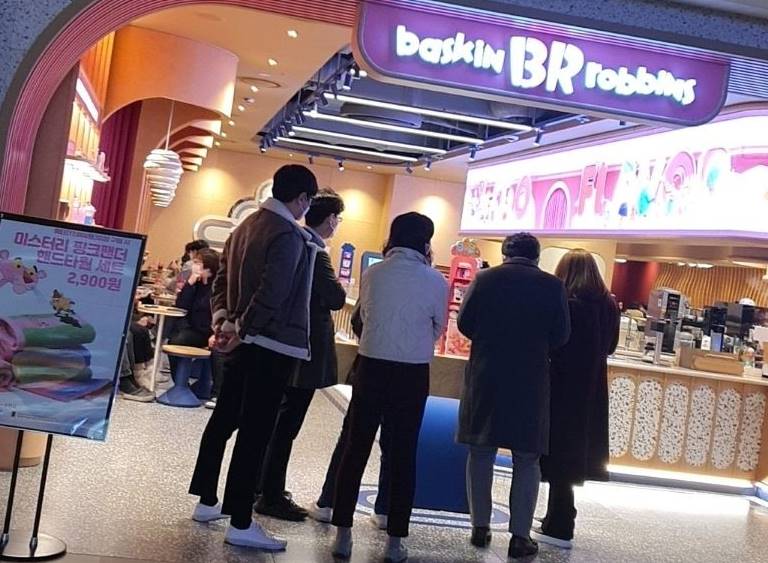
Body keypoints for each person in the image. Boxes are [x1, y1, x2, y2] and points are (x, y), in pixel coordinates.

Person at [188, 164, 319, 551]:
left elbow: (222, 280)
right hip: (270, 343)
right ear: (301, 198)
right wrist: (243, 330)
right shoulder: (287, 235)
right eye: (307, 201)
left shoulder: (245, 226)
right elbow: (273, 292)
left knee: (225, 418)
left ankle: (207, 501)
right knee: (255, 432)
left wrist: (224, 323)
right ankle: (241, 521)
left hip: (241, 339)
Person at [331, 212, 448, 563]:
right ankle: (395, 541)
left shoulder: (374, 273)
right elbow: (438, 327)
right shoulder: (435, 280)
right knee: (403, 454)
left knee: (356, 447)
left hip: (371, 367)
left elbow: (364, 318)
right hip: (412, 373)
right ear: (425, 243)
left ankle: (342, 534)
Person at [457, 233, 570, 560]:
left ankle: (480, 526)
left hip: (487, 375)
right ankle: (520, 536)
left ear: (505, 254)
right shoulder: (553, 286)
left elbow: (465, 323)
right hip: (530, 380)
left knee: (481, 451)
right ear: (536, 257)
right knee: (527, 457)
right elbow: (562, 335)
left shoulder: (484, 279)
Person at [255, 189, 347, 521]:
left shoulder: (295, 241)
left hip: (287, 342)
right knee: (287, 424)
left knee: (278, 420)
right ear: (331, 219)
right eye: (338, 218)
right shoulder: (315, 251)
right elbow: (335, 298)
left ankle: (264, 485)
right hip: (306, 348)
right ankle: (271, 493)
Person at [535, 250, 620, 549]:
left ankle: (560, 521)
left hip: (562, 386)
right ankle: (559, 514)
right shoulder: (609, 305)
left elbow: (555, 343)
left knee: (558, 452)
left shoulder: (568, 304)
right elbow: (611, 347)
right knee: (575, 453)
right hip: (593, 389)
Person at [167, 248, 219, 383]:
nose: (193, 265)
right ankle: (180, 383)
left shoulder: (218, 288)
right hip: (194, 329)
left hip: (211, 332)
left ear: (208, 266)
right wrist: (189, 284)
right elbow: (181, 306)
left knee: (178, 340)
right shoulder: (196, 284)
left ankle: (189, 384)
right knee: (174, 338)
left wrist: (216, 333)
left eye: (197, 262)